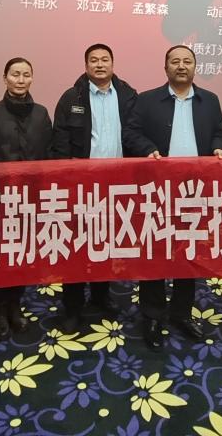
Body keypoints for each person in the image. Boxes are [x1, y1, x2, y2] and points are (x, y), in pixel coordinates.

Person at [123, 44, 222, 350]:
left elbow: (219, 131)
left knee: (188, 253)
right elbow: (130, 133)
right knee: (154, 252)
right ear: (165, 67)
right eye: (175, 61)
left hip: (196, 191)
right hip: (157, 189)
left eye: (187, 61)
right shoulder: (147, 100)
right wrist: (147, 149)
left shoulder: (210, 100)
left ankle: (181, 313)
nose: (182, 66)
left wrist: (219, 146)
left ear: (195, 67)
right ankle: (153, 316)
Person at [50, 43, 138, 333]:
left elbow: (135, 134)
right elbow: (60, 141)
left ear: (113, 63)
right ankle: (73, 306)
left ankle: (101, 296)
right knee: (75, 246)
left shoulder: (128, 95)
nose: (100, 64)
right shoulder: (71, 97)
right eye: (94, 60)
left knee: (106, 243)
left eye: (105, 59)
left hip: (117, 185)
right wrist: (65, 177)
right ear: (86, 65)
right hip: (80, 185)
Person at [0, 57, 53, 341]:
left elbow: (50, 154)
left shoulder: (41, 113)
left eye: (26, 75)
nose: (20, 80)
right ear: (4, 78)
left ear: (32, 78)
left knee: (22, 254)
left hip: (32, 198)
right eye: (15, 74)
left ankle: (15, 305)